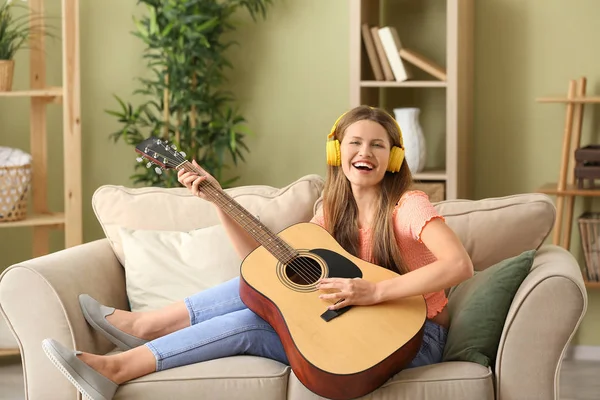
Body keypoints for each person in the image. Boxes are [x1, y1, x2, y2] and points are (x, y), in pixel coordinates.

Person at [41, 105, 474, 400]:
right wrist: (217, 200)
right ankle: (138, 334)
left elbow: (459, 264)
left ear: (394, 157)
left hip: (413, 338)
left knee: (248, 322)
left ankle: (124, 357)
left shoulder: (408, 205)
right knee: (263, 287)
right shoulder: (330, 213)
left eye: (378, 145)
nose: (364, 152)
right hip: (352, 326)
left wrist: (374, 293)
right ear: (336, 152)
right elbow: (264, 264)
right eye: (354, 142)